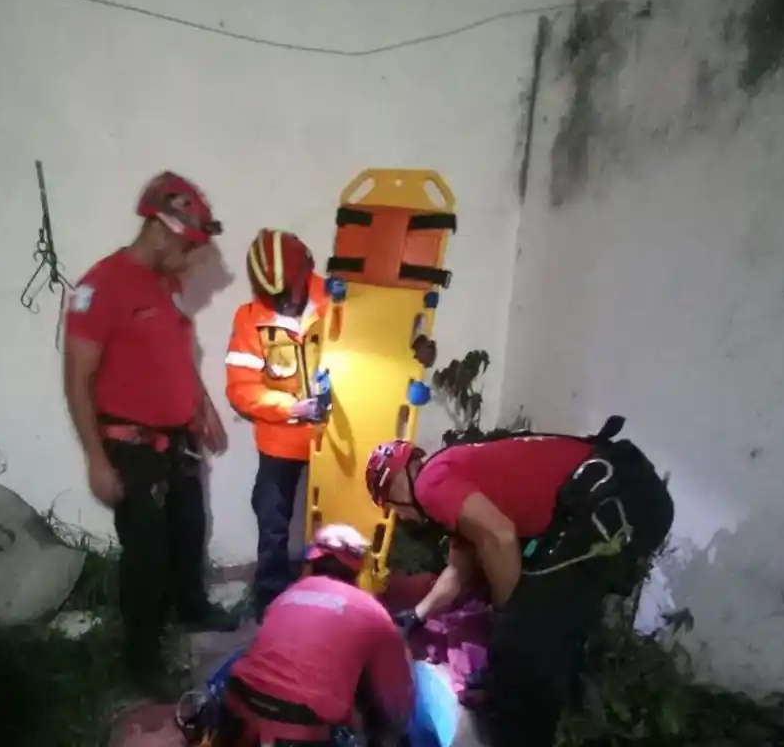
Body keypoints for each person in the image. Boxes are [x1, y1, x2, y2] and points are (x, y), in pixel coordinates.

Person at [365, 417, 675, 745]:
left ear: (395, 483)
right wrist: (415, 617)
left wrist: (509, 623)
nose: (400, 516)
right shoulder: (451, 479)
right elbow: (457, 573)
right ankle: (557, 716)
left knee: (521, 650)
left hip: (614, 500)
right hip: (624, 491)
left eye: (391, 507)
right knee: (542, 636)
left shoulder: (431, 485)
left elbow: (499, 537)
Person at [63, 171, 239, 697]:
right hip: (132, 447)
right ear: (160, 229)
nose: (190, 261)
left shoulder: (167, 286)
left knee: (189, 532)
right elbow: (77, 379)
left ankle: (193, 609)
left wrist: (201, 404)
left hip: (178, 439)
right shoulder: (100, 287)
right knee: (146, 560)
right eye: (188, 248)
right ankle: (142, 658)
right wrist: (96, 459)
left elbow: (175, 356)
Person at [213, 524, 414, 746]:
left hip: (238, 710)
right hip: (301, 731)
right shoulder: (373, 612)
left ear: (312, 562)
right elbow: (396, 699)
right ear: (357, 569)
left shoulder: (285, 597)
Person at [224, 228, 330, 621]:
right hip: (280, 441)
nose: (282, 302)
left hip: (335, 441)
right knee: (272, 522)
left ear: (307, 272)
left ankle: (332, 599)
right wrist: (290, 407)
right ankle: (270, 602)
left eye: (288, 291)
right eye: (273, 296)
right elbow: (240, 388)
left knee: (334, 522)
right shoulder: (249, 318)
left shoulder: (340, 302)